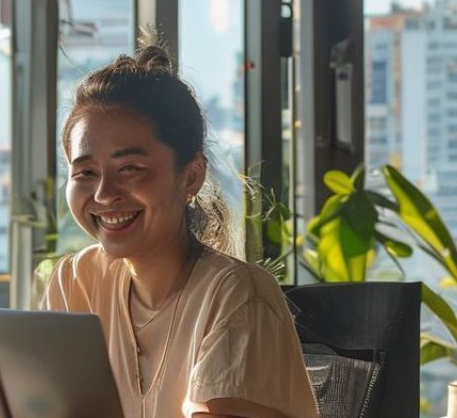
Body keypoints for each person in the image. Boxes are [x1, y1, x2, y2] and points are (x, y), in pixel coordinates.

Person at [42, 43, 318, 418]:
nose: (104, 195)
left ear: (190, 176)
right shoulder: (76, 281)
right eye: (85, 173)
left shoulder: (236, 295)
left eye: (130, 169)